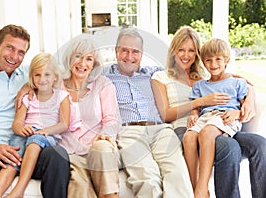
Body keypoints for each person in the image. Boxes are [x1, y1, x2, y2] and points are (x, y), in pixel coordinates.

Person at [151, 26, 266, 198]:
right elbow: (165, 114)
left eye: (191, 50)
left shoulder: (204, 74)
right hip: (188, 127)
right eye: (181, 50)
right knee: (229, 147)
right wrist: (200, 103)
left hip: (222, 122)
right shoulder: (161, 77)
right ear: (173, 50)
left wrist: (247, 103)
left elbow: (241, 84)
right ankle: (201, 190)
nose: (186, 55)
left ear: (197, 54)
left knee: (260, 144)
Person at [0, 24, 70, 198]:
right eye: (9, 48)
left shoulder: (27, 73)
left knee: (58, 155)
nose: (14, 57)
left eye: (21, 52)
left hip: (28, 149)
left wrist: (26, 85)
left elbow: (57, 78)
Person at [104, 28, 193, 197]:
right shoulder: (104, 76)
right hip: (128, 131)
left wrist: (246, 87)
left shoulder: (154, 73)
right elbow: (67, 76)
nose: (130, 57)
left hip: (161, 130)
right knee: (147, 178)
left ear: (142, 54)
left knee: (178, 173)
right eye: (124, 50)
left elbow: (205, 73)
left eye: (135, 52)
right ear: (116, 51)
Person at [0, 52, 70, 198]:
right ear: (32, 77)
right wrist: (21, 129)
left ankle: (19, 190)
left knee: (34, 142)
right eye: (37, 75)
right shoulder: (28, 97)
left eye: (47, 75)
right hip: (23, 135)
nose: (42, 79)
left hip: (46, 136)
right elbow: (16, 124)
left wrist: (44, 131)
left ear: (55, 77)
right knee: (11, 160)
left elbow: (64, 124)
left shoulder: (62, 97)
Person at [57, 34, 121, 198]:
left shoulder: (103, 84)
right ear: (70, 58)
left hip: (97, 148)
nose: (82, 64)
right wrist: (25, 89)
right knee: (80, 186)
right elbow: (34, 77)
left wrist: (104, 134)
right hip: (70, 152)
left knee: (102, 148)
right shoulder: (56, 85)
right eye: (78, 56)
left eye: (89, 59)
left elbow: (112, 119)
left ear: (94, 64)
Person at [184, 38, 248, 198]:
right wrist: (193, 115)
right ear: (203, 63)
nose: (213, 64)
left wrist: (237, 113)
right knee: (189, 137)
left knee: (206, 133)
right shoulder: (199, 85)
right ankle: (196, 187)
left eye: (218, 59)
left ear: (226, 60)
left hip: (225, 117)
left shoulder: (237, 83)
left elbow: (245, 105)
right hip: (206, 118)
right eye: (208, 60)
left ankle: (202, 185)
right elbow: (196, 107)